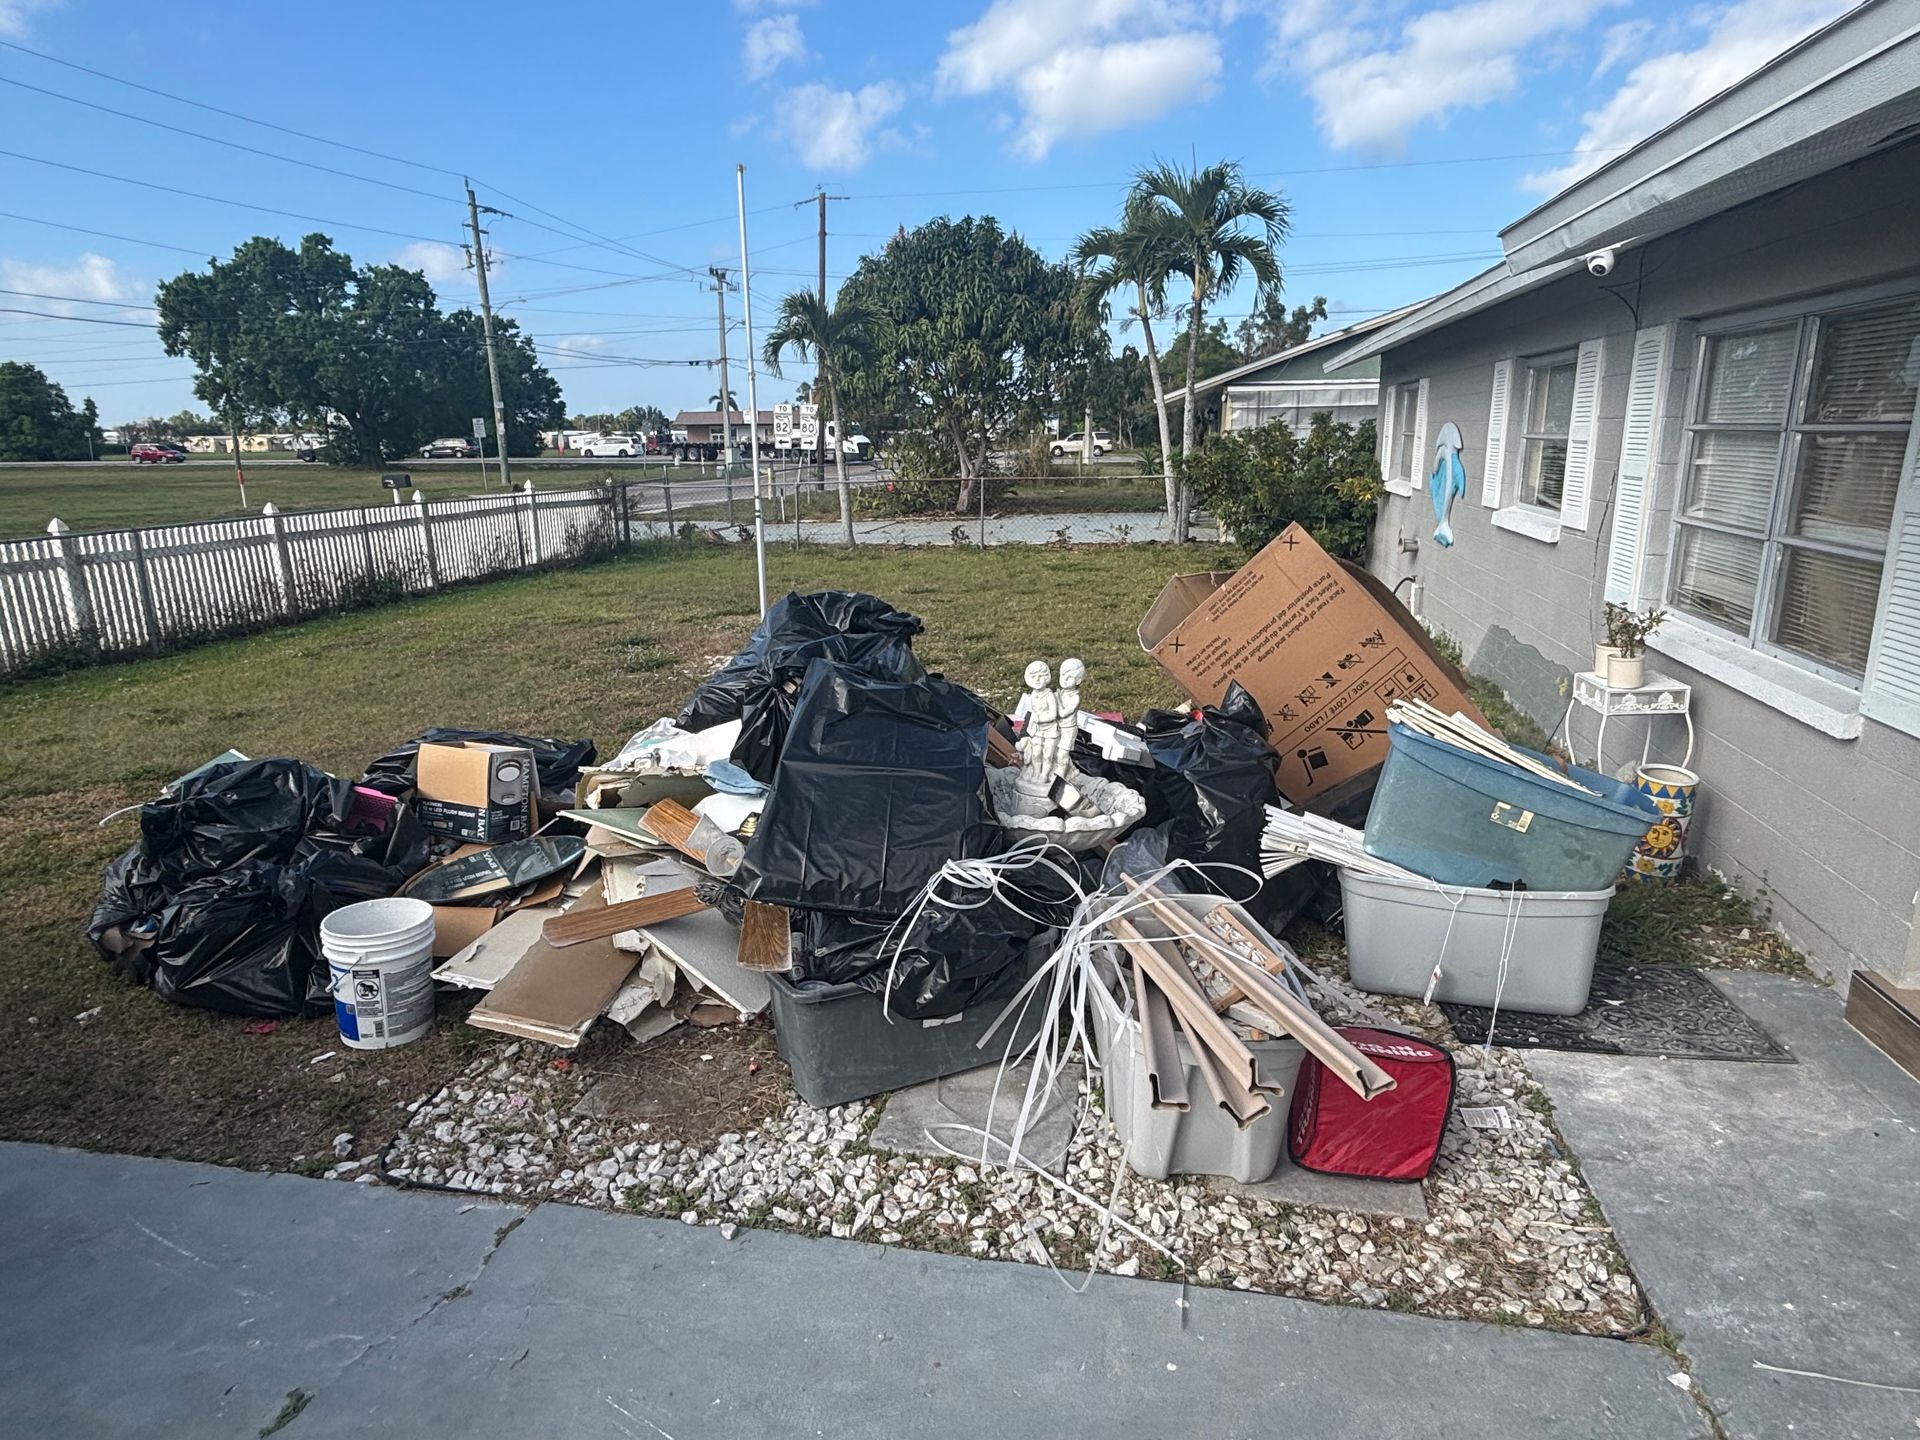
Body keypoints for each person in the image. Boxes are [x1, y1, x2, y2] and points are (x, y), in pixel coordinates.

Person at [1017, 660, 1058, 783]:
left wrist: (1040, 719)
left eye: (1041, 676)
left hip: (1049, 730)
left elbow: (1053, 714)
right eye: (1033, 677)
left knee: (1047, 755)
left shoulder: (1050, 695)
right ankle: (1036, 773)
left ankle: (1044, 775)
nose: (1037, 680)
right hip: (1036, 730)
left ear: (1047, 677)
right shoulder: (1033, 695)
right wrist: (1027, 732)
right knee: (1036, 754)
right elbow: (1031, 714)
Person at [1053, 657, 1084, 781]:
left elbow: (1063, 713)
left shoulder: (1074, 698)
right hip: (1056, 728)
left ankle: (1059, 779)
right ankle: (1071, 771)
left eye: (1069, 677)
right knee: (1054, 752)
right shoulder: (1059, 693)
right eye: (1063, 675)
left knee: (1062, 754)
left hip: (1068, 729)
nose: (1065, 679)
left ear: (1078, 680)